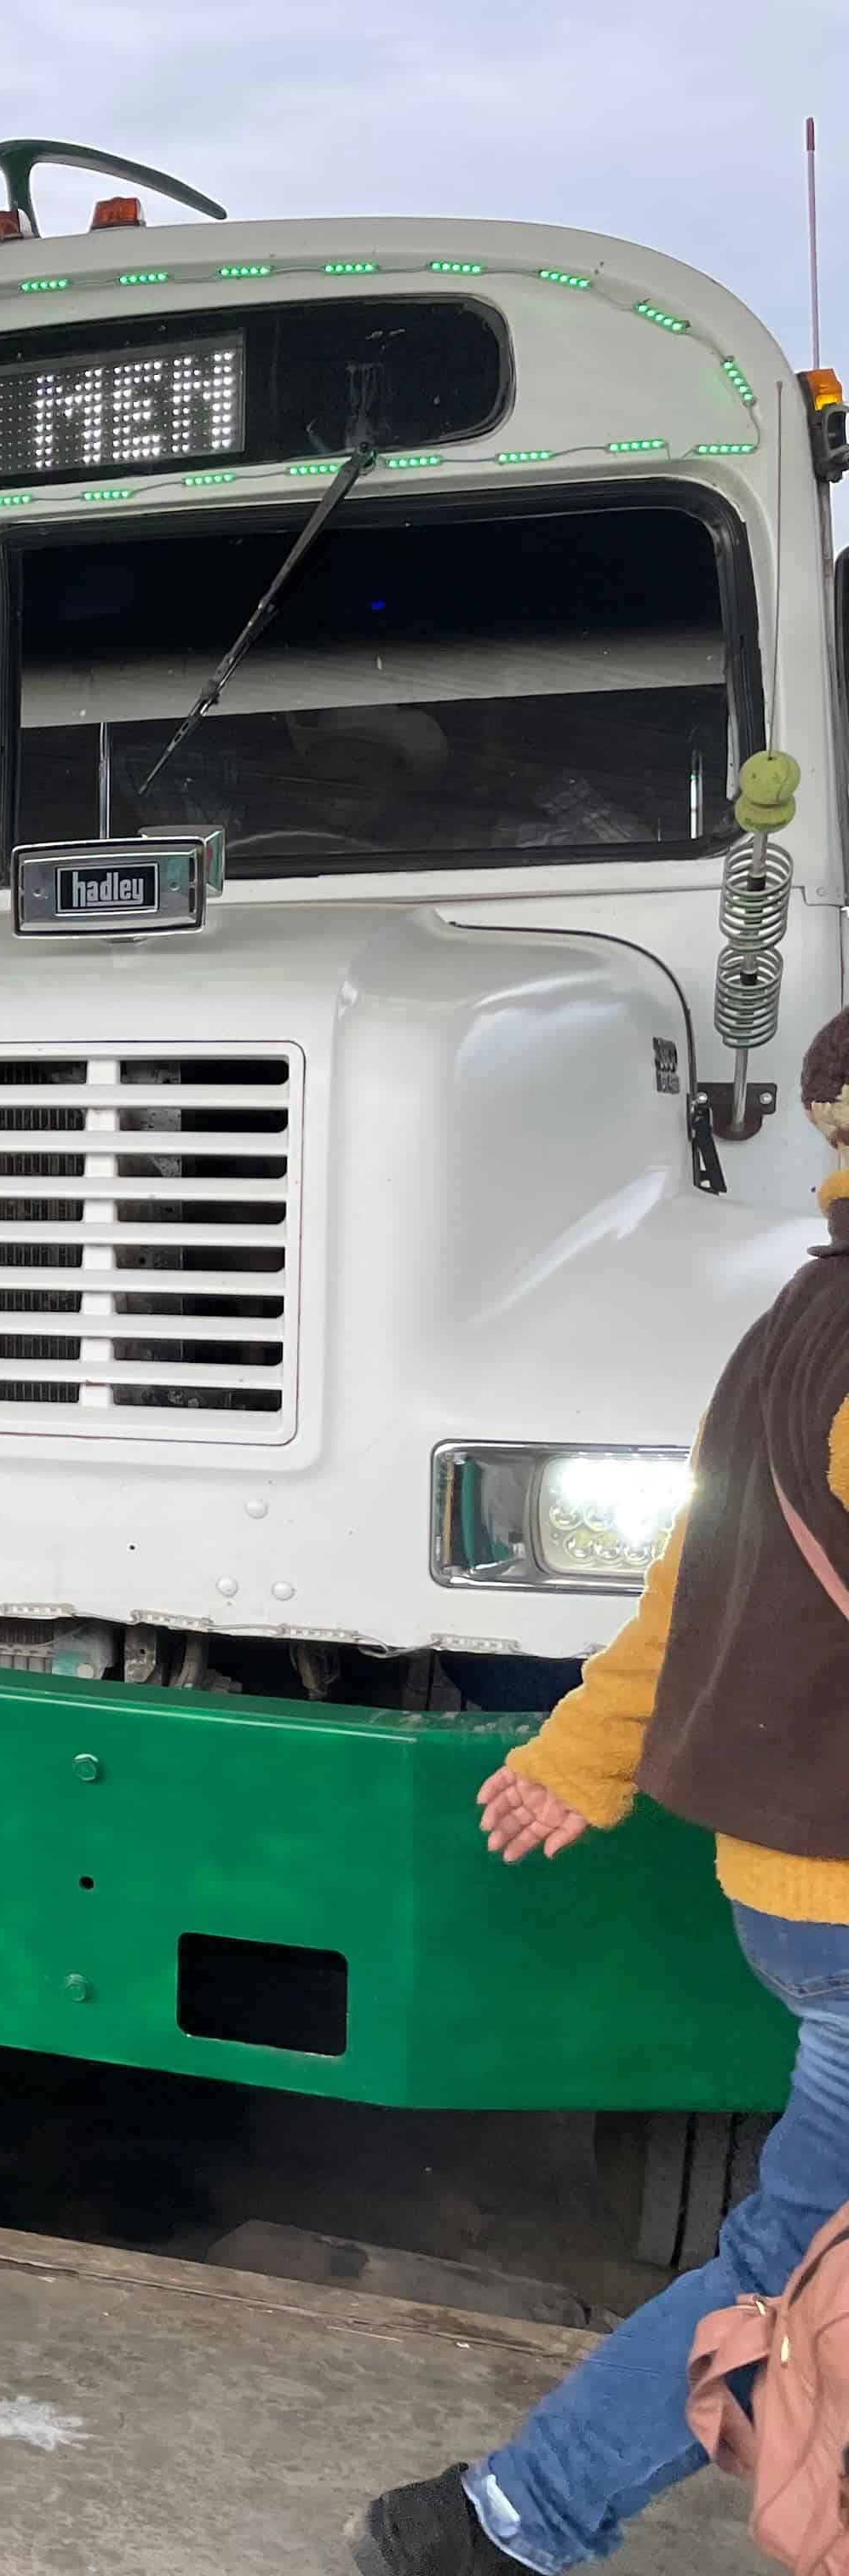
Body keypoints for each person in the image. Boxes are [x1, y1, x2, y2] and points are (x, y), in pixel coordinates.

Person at [358, 1003, 849, 2574]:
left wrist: (580, 1752)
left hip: (789, 1884)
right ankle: (511, 2516)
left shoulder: (795, 1322)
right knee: (785, 2262)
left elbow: (688, 1573)